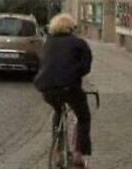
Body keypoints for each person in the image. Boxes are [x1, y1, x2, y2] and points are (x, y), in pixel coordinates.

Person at [34, 13, 93, 167]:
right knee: (83, 117)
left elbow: (44, 63)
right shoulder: (79, 43)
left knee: (58, 112)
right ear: (71, 28)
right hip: (69, 87)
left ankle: (57, 154)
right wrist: (74, 73)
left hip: (46, 88)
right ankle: (78, 155)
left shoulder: (47, 43)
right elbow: (86, 67)